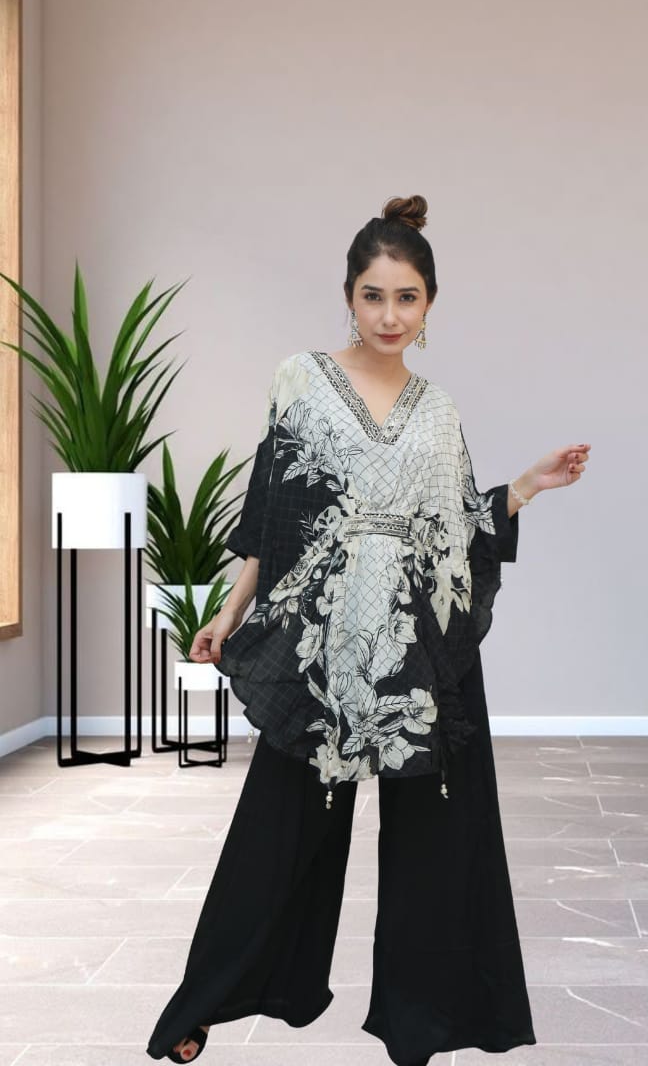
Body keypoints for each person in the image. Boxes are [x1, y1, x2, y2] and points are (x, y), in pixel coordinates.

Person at [146, 194, 591, 1064]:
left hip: (416, 645)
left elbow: (455, 526)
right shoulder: (301, 380)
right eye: (374, 296)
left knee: (439, 838)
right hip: (322, 642)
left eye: (407, 298)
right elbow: (269, 518)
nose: (390, 316)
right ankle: (207, 1002)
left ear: (430, 304)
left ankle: (423, 1023)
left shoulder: (438, 408)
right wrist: (229, 613)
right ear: (348, 296)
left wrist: (526, 487)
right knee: (277, 832)